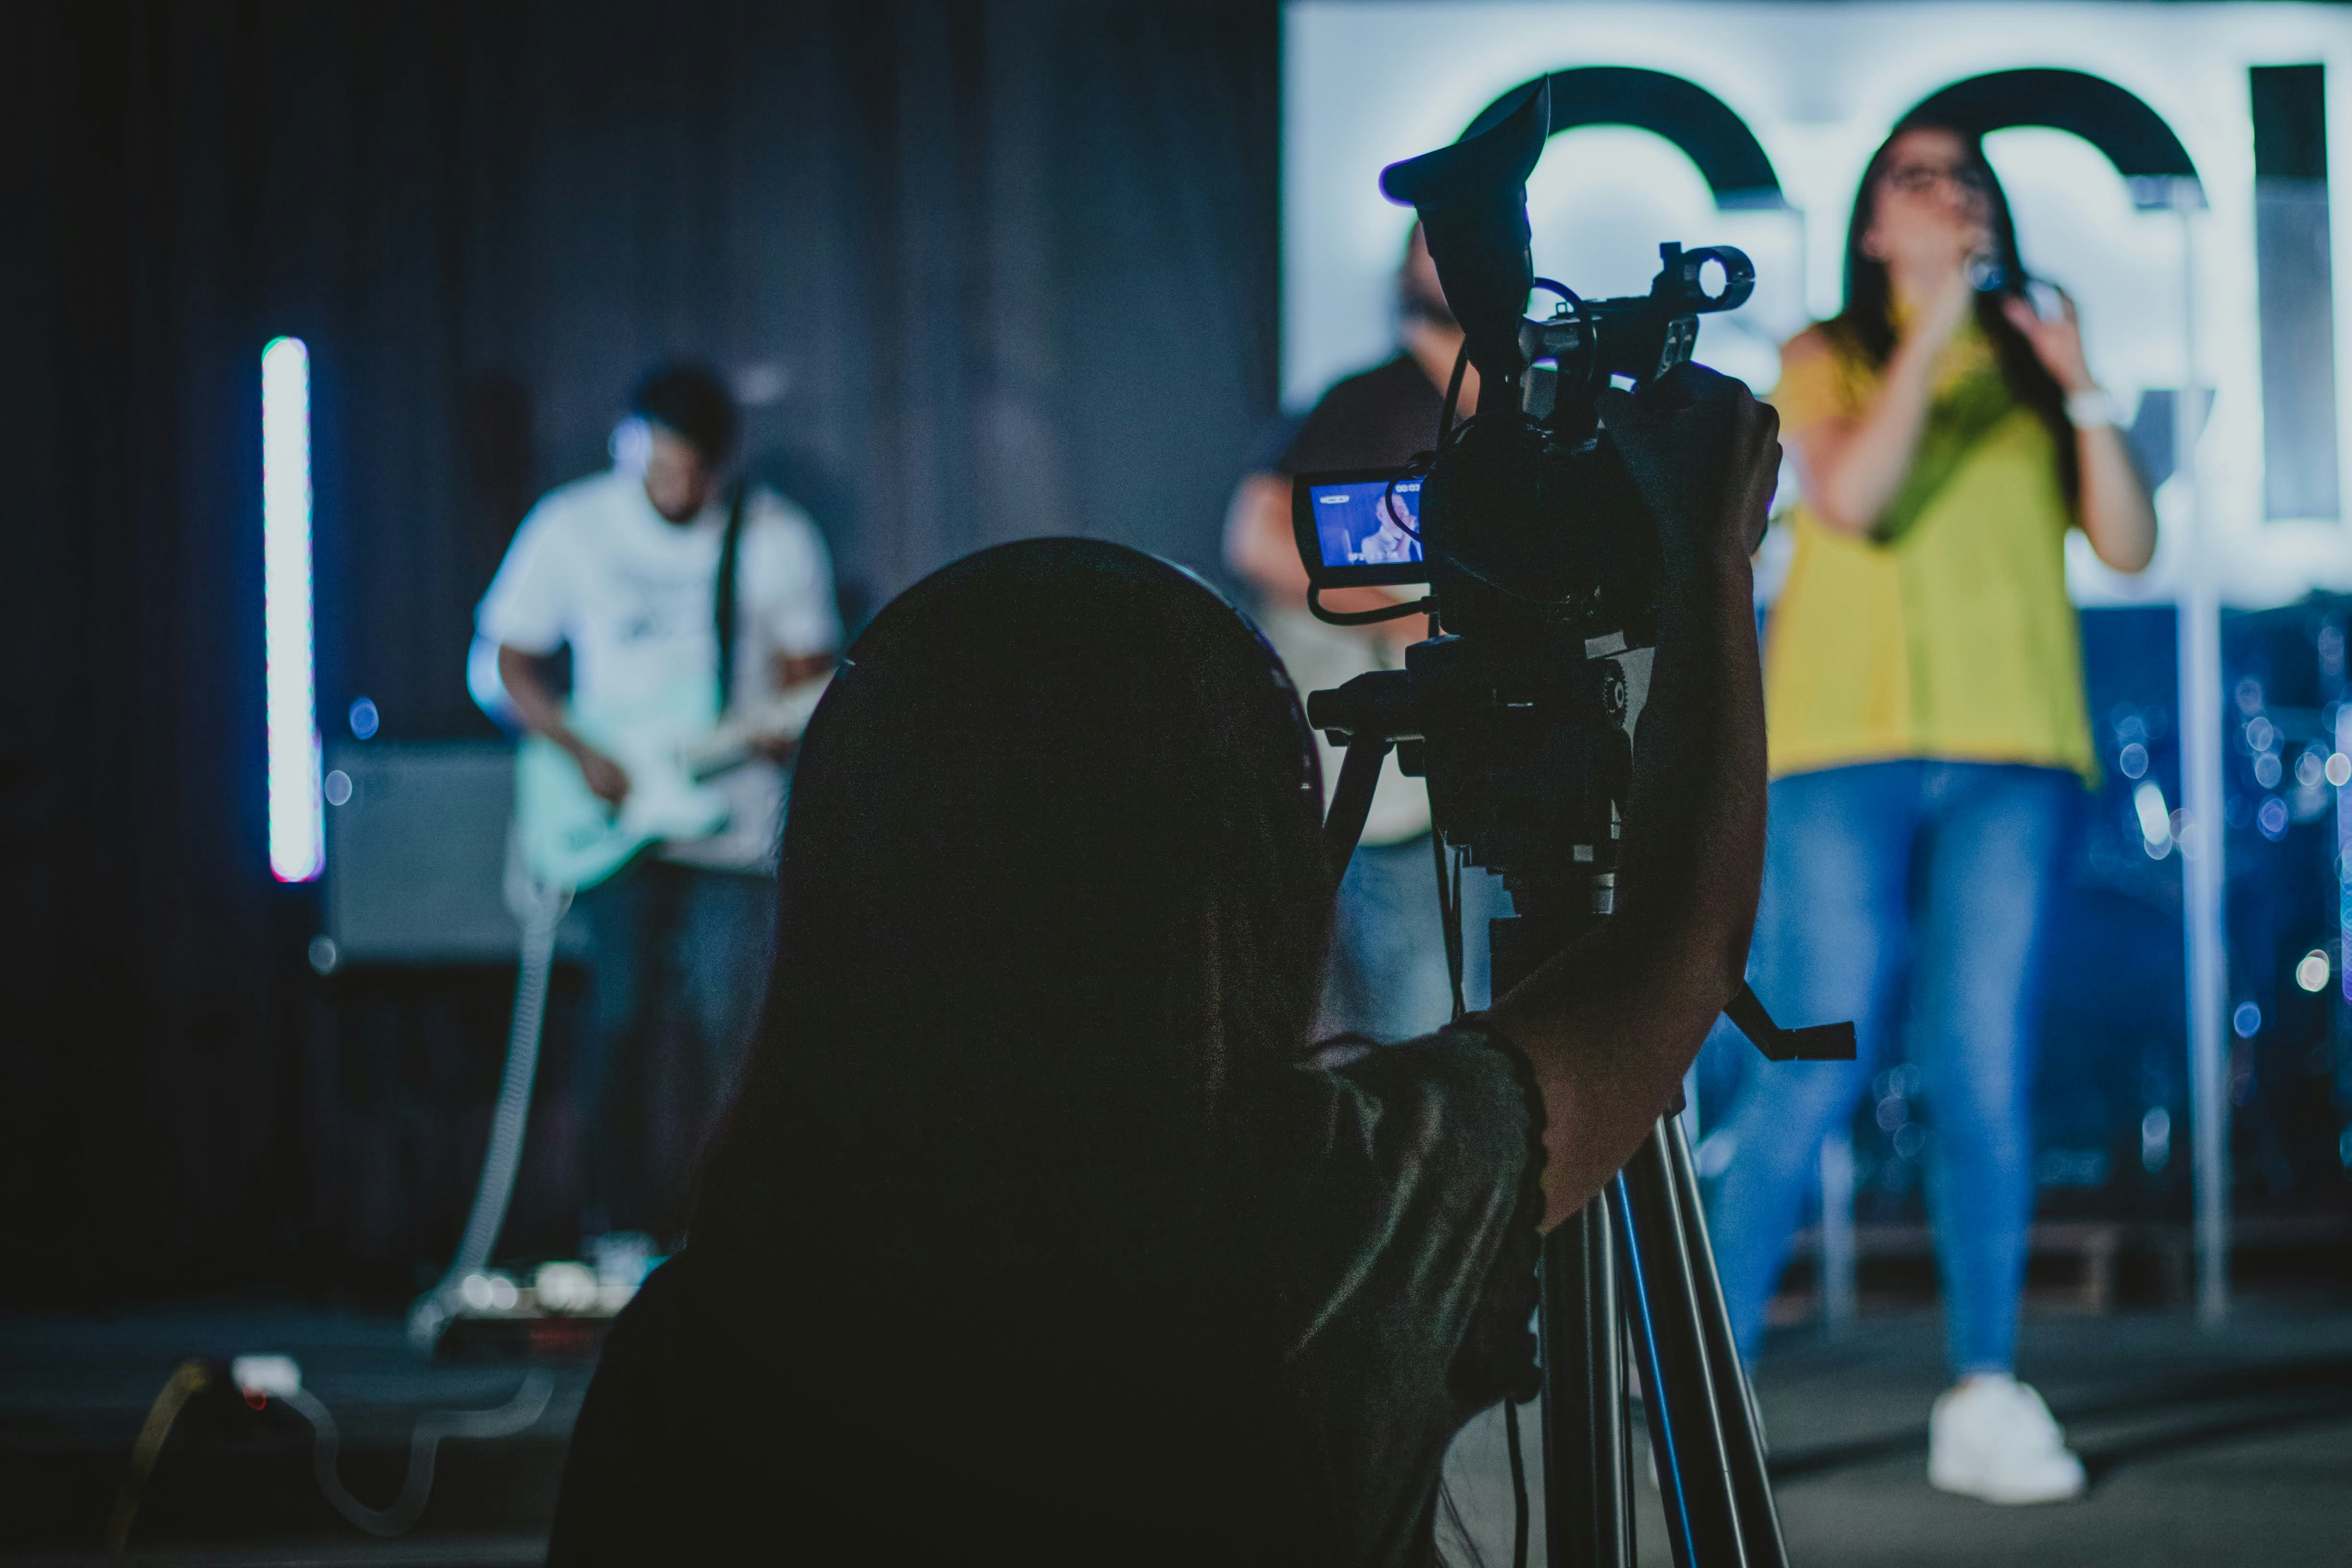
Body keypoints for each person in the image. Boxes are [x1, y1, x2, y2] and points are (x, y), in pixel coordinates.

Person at [545, 366, 1782, 1566]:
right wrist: (1704, 557)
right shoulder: (1331, 1208)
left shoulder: (697, 1342)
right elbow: (1681, 940)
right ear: (1239, 862)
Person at [1700, 118, 2156, 1506]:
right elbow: (1857, 495)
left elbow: (2130, 545)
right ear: (1871, 226)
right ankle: (1700, 1376)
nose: (1951, 193)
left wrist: (2079, 391)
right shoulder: (1819, 357)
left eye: (1967, 178)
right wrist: (1935, 320)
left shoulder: (2028, 374)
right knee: (1815, 1057)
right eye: (1918, 177)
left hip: (2013, 751)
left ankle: (1983, 1387)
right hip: (1846, 755)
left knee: (1982, 1069)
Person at [476, 362, 841, 1247]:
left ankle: (736, 1234)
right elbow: (505, 660)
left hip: (735, 826)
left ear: (719, 464)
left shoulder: (774, 538)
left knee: (734, 1026)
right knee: (619, 1021)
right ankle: (617, 1232)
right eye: (657, 464)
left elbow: (809, 690)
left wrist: (784, 729)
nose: (671, 485)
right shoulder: (573, 528)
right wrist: (579, 750)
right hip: (613, 818)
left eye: (689, 469)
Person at [1225, 225, 1492, 1038]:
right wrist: (1410, 620)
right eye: (1432, 240)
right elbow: (1256, 536)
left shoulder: (1526, 416)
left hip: (1494, 770)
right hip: (1402, 783)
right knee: (1417, 1016)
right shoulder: (1367, 403)